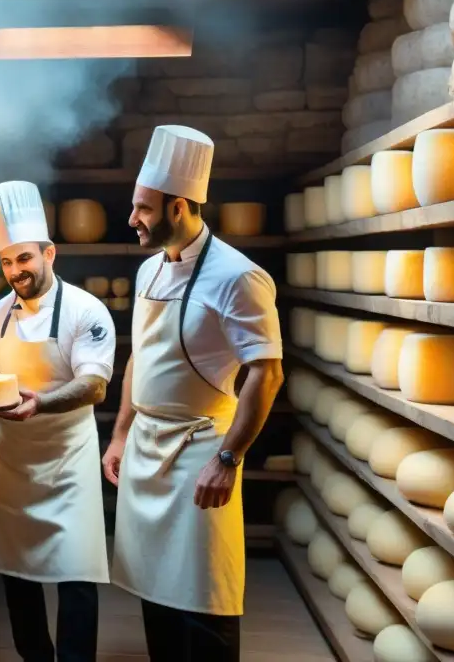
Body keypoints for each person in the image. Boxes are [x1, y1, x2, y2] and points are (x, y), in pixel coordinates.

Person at [102, 125, 285, 662]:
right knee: (155, 590)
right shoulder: (146, 271)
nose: (132, 219)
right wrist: (119, 435)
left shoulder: (237, 277)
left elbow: (267, 375)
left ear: (178, 207)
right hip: (145, 449)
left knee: (205, 598)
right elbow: (141, 356)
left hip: (201, 450)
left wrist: (228, 458)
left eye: (143, 209)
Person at [0, 179, 116, 662]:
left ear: (50, 253)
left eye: (25, 259)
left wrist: (43, 403)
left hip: (68, 460)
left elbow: (95, 384)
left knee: (77, 577)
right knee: (16, 573)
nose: (16, 271)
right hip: (11, 461)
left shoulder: (85, 311)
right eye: (7, 262)